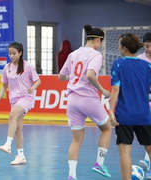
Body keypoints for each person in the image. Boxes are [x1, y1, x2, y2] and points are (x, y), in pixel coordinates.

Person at [58, 24, 112, 180]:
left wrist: (73, 78)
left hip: (72, 100)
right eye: (100, 42)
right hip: (88, 98)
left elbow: (61, 76)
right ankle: (99, 164)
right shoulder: (95, 55)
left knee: (76, 140)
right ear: (97, 40)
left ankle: (71, 175)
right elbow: (90, 75)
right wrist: (102, 90)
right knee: (107, 128)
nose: (100, 45)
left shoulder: (73, 54)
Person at [109, 33, 151, 180]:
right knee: (150, 148)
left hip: (124, 115)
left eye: (119, 44)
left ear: (124, 48)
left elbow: (115, 89)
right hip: (144, 114)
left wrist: (109, 111)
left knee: (125, 151)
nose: (118, 47)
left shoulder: (118, 64)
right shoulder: (148, 66)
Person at [0, 42, 41, 165]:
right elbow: (4, 85)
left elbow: (38, 80)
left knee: (12, 115)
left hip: (26, 97)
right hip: (14, 99)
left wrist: (33, 88)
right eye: (10, 53)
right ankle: (21, 156)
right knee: (18, 129)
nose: (12, 56)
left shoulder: (27, 66)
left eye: (14, 53)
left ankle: (8, 144)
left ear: (20, 53)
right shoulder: (7, 68)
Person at [137, 32, 151, 175]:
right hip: (144, 102)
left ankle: (147, 160)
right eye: (147, 46)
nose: (150, 49)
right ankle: (147, 160)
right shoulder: (139, 60)